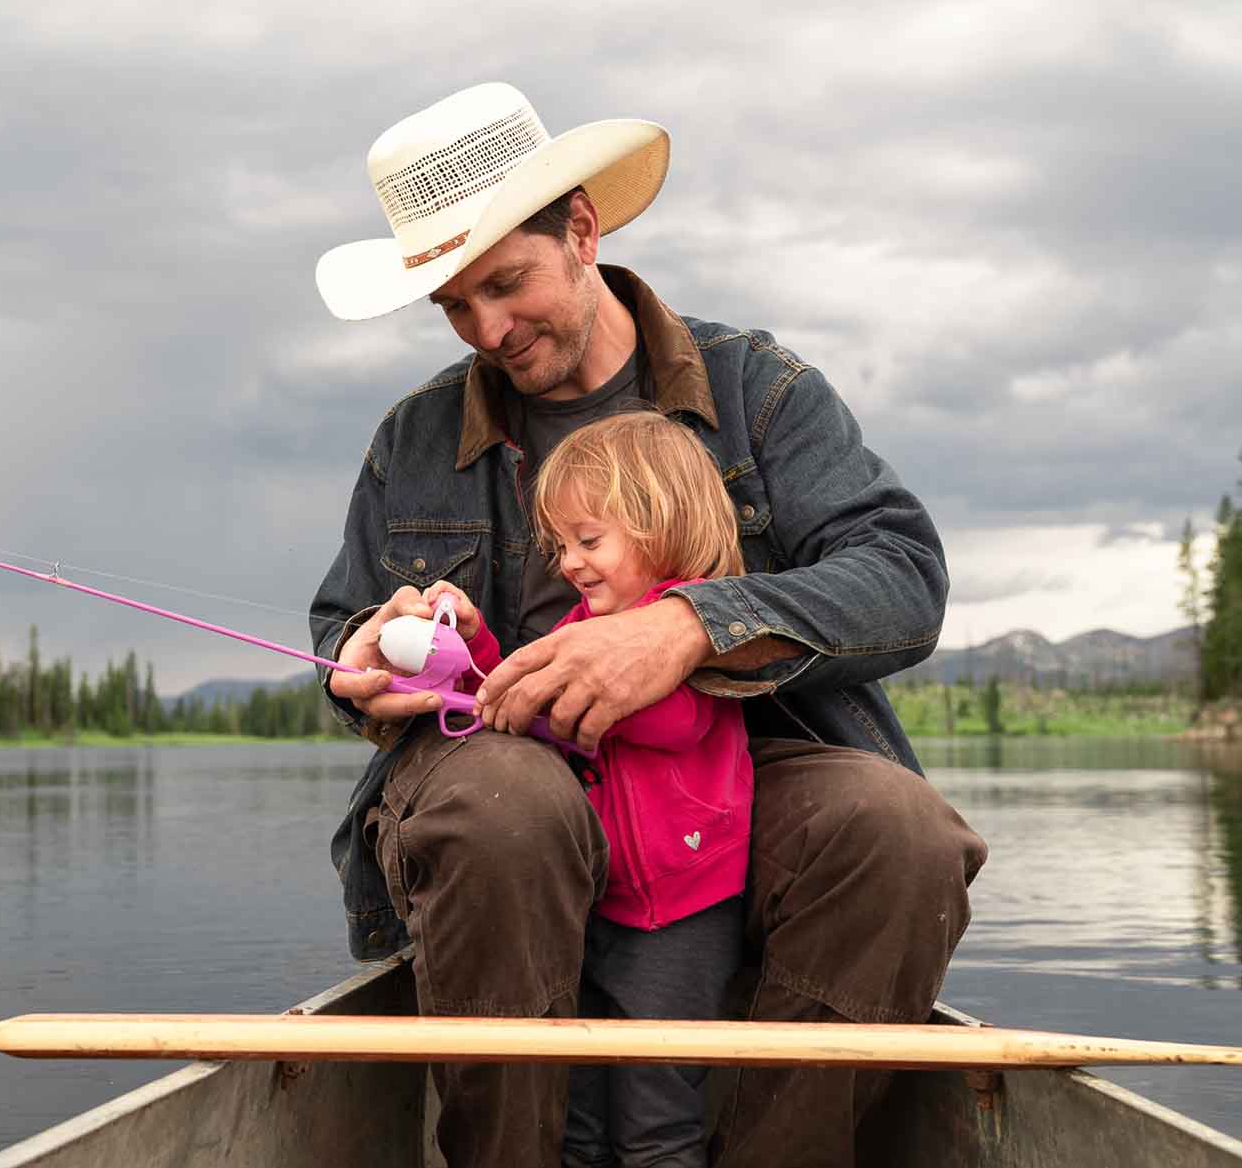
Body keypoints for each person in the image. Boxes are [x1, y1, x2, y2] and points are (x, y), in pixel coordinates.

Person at [309, 82, 988, 1168]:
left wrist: (687, 627)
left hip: (729, 790)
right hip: (502, 796)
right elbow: (342, 630)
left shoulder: (759, 392)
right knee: (505, 801)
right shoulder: (413, 439)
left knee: (900, 834)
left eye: (505, 283)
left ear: (580, 229)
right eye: (451, 303)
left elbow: (903, 578)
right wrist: (355, 659)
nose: (487, 329)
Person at [426, 410, 753, 1168]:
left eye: (589, 540)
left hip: (682, 915)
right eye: (562, 545)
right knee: (575, 1120)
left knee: (656, 1123)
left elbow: (671, 721)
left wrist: (544, 697)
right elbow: (512, 687)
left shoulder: (695, 627)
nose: (568, 562)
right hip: (590, 907)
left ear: (659, 526)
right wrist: (474, 647)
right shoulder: (579, 625)